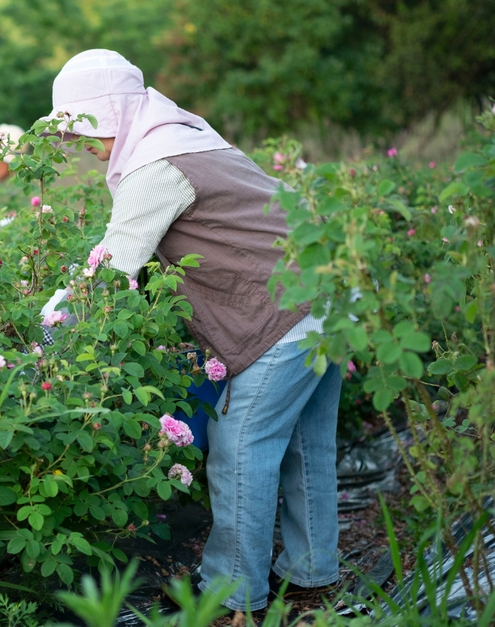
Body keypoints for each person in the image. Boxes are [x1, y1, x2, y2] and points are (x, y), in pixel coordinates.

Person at [40, 49, 342, 614]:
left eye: (90, 128)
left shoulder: (157, 165)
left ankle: (231, 599)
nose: (85, 143)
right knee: (306, 447)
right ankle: (311, 576)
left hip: (281, 319)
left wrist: (45, 342)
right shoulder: (188, 134)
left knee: (241, 449)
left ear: (114, 114)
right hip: (325, 298)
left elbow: (109, 274)